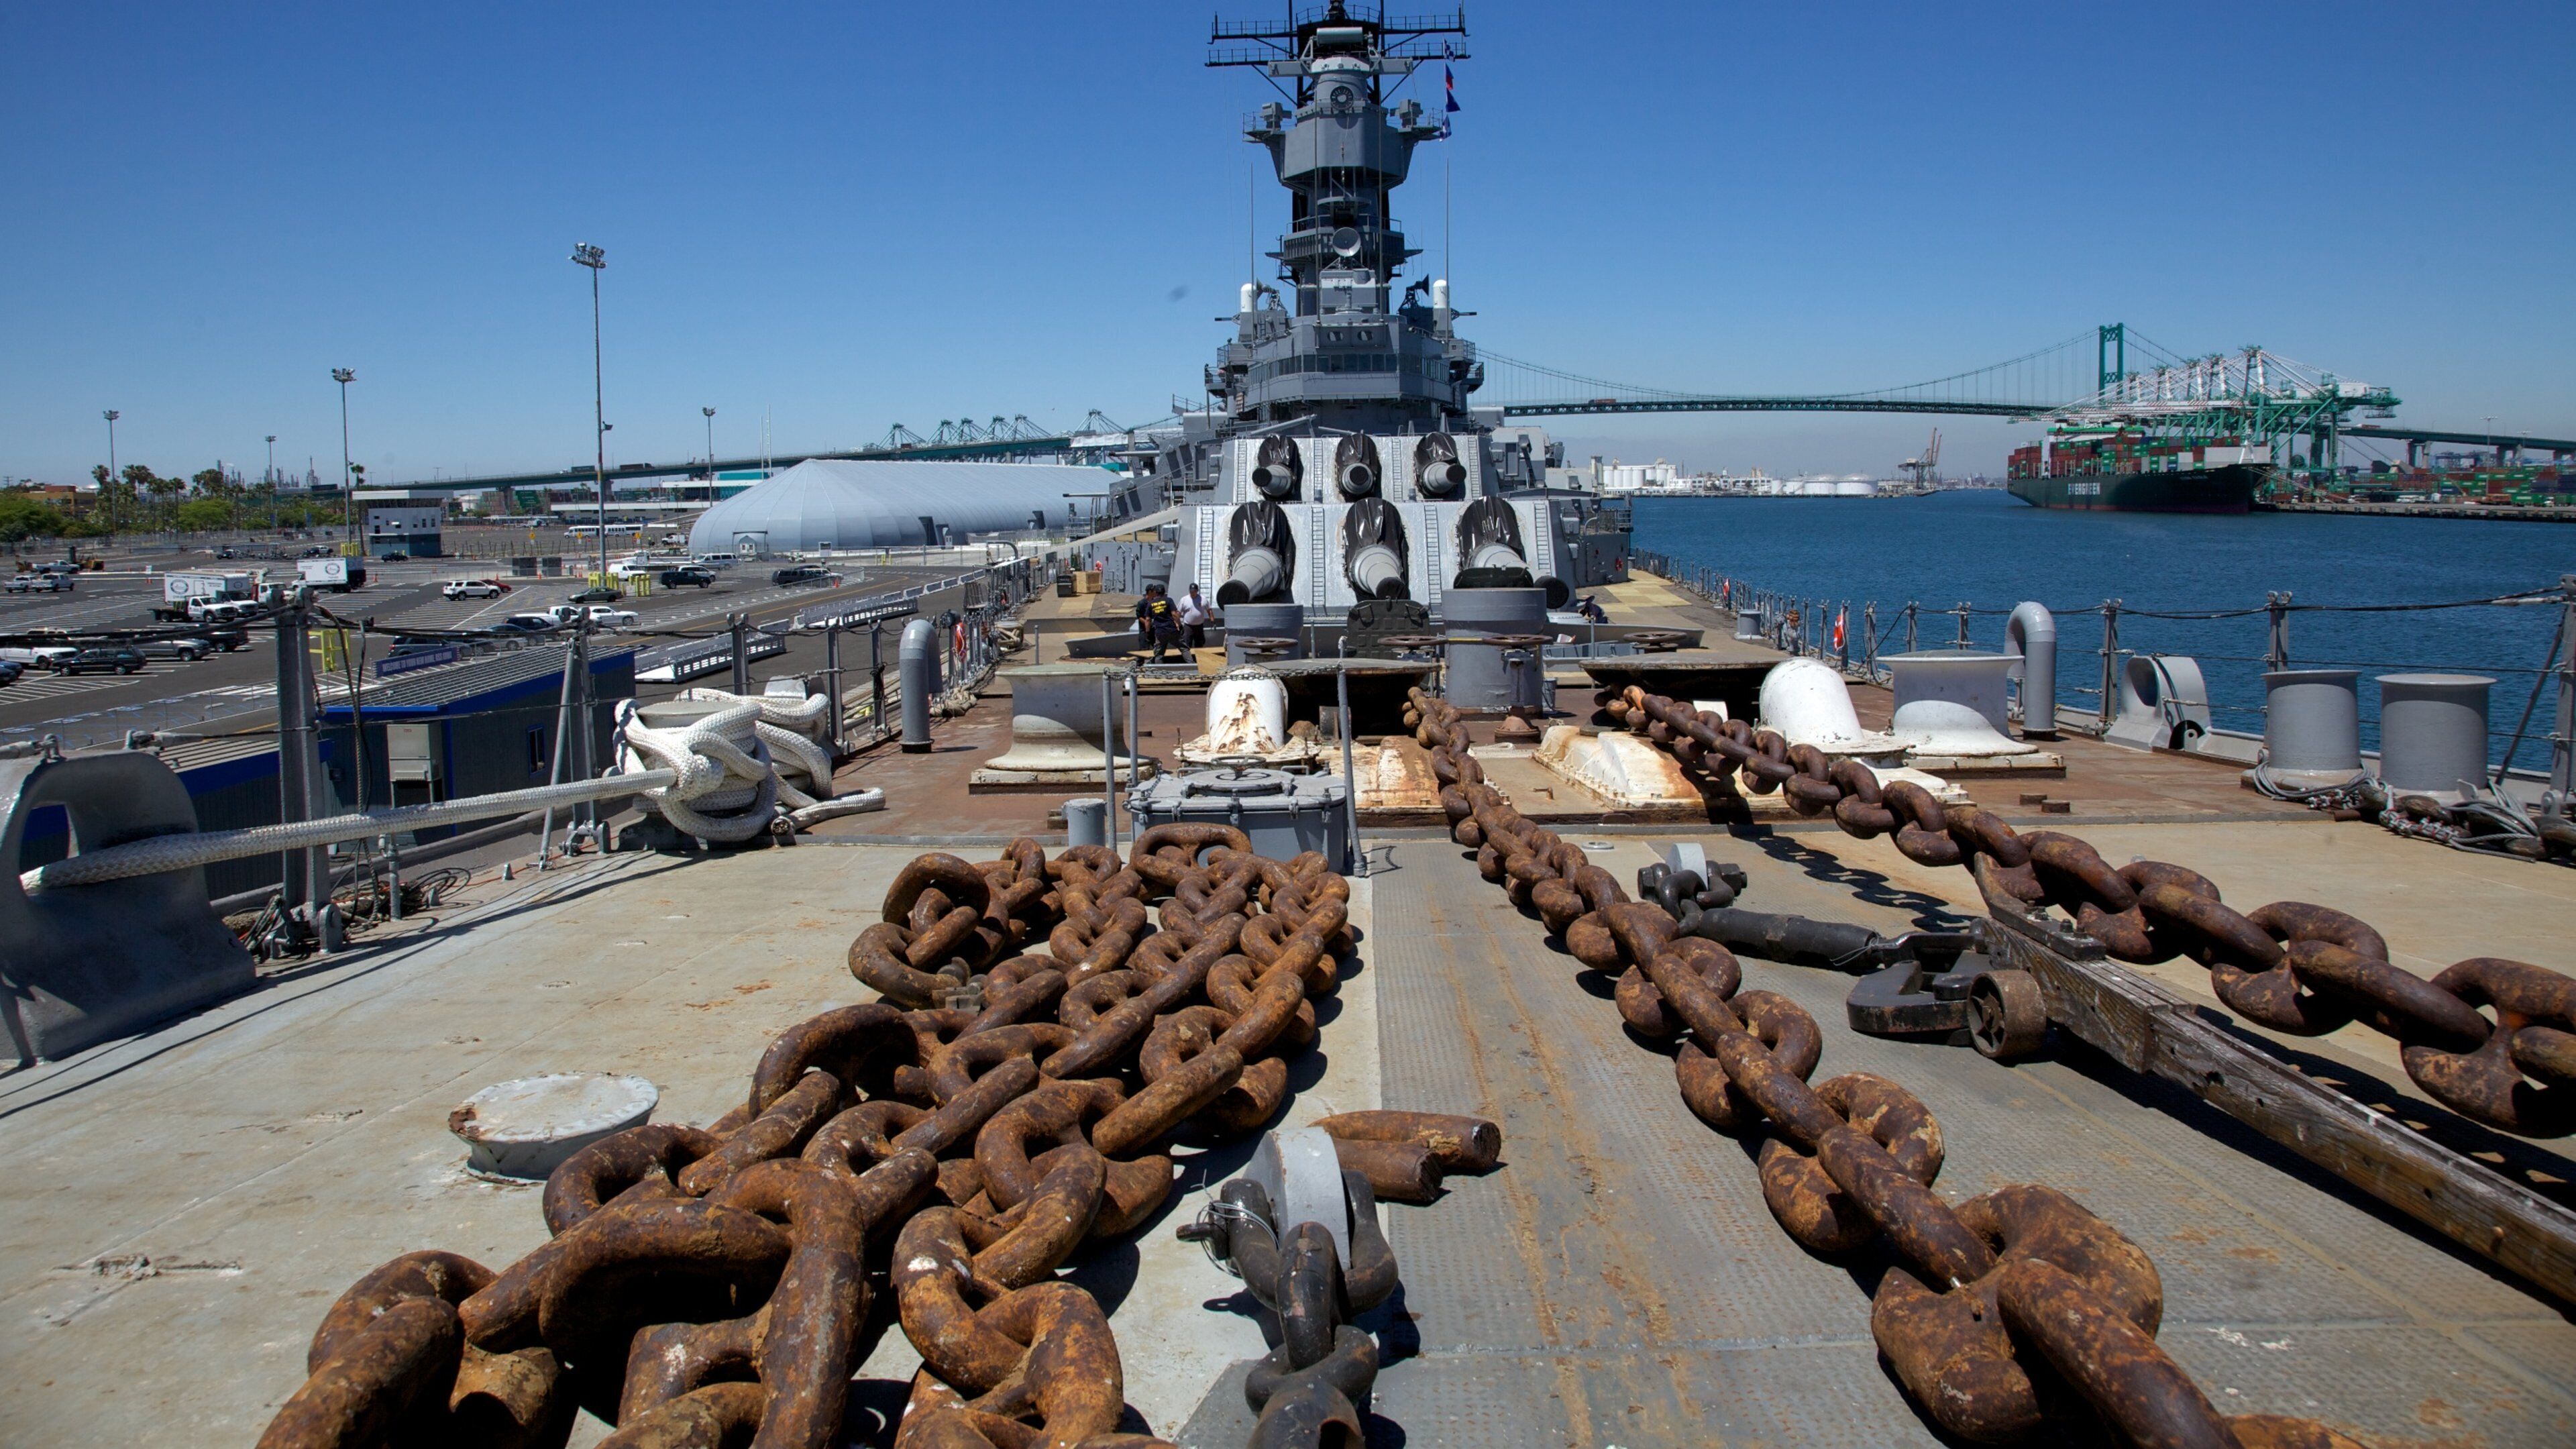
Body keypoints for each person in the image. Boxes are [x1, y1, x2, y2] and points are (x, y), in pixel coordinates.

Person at [1134, 582, 1182, 663]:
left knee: (1156, 648)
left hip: (1156, 630)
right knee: (1144, 648)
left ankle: (1154, 663)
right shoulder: (1142, 603)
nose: (1155, 592)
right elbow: (1139, 617)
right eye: (1154, 591)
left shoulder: (1155, 602)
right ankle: (1139, 664)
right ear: (1150, 592)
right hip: (1145, 630)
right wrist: (1148, 624)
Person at [1177, 582, 1213, 652]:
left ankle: (1199, 660)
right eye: (1191, 591)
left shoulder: (1203, 599)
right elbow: (1178, 612)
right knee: (1187, 645)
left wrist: (1212, 621)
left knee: (1199, 645)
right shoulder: (1184, 599)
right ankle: (1189, 662)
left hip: (1199, 626)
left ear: (1197, 591)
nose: (1192, 593)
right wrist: (1177, 624)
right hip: (1188, 627)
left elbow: (1209, 610)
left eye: (1194, 591)